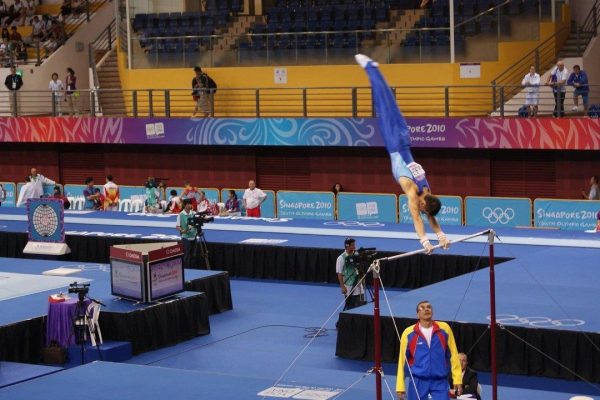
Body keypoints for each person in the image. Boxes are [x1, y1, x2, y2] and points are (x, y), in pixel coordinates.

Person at [355, 54, 449, 254]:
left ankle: (374, 68)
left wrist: (441, 236)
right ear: (424, 202)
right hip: (395, 144)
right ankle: (370, 69)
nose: (422, 209)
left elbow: (430, 216)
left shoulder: (428, 191)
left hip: (405, 139)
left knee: (390, 102)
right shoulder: (413, 192)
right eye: (423, 207)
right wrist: (425, 241)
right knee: (382, 105)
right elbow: (418, 218)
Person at [397, 300, 462, 400]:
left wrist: (457, 379)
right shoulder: (408, 333)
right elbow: (402, 361)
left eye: (429, 307)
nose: (426, 309)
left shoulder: (444, 329)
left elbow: (453, 355)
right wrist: (400, 386)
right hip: (418, 381)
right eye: (422, 307)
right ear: (417, 314)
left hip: (440, 381)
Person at [335, 237, 365, 311]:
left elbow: (361, 269)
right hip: (349, 286)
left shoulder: (357, 255)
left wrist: (363, 281)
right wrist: (342, 287)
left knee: (361, 306)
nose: (354, 246)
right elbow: (339, 273)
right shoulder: (341, 258)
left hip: (359, 284)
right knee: (350, 307)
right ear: (347, 246)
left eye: (354, 244)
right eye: (352, 245)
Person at [176, 199, 198, 268]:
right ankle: (186, 269)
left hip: (194, 237)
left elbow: (196, 223)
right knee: (187, 256)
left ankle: (193, 269)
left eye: (190, 204)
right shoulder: (181, 215)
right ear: (185, 205)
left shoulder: (193, 213)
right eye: (188, 204)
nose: (190, 205)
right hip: (186, 238)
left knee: (193, 256)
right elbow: (177, 226)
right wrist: (182, 230)